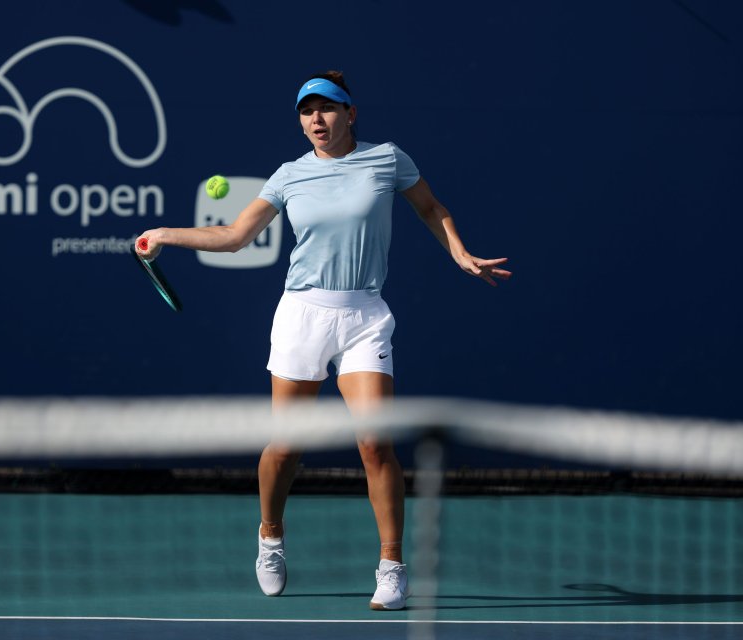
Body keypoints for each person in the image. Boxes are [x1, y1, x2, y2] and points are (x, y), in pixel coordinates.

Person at [136, 70, 511, 611]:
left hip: (364, 315)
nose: (316, 119)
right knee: (286, 446)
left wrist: (457, 249)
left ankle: (392, 566)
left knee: (374, 442)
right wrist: (166, 234)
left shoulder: (386, 159)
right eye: (307, 112)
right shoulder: (288, 176)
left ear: (350, 114)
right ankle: (270, 535)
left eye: (327, 109)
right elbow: (236, 236)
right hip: (302, 315)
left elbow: (430, 206)